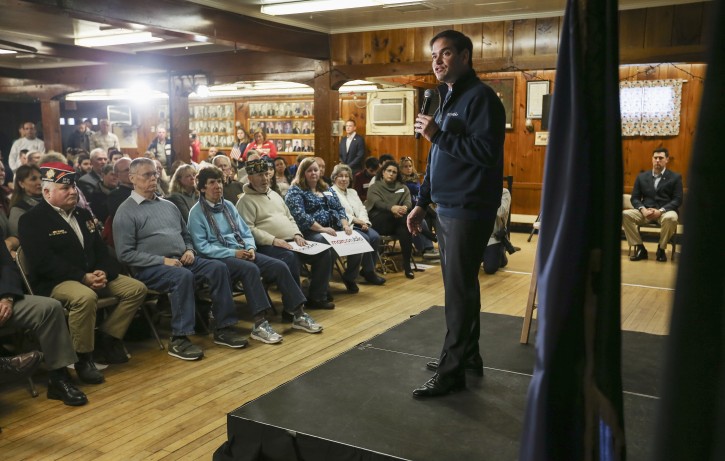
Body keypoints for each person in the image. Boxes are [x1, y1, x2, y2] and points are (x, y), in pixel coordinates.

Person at [407, 30, 505, 398]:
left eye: (446, 53)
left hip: (470, 207)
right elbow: (437, 157)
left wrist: (438, 135)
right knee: (462, 287)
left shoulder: (481, 99)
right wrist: (421, 200)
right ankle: (468, 356)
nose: (437, 60)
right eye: (434, 54)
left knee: (459, 291)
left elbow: (486, 154)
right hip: (445, 206)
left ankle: (451, 372)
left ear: (465, 56)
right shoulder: (447, 98)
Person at [19, 162, 147, 382]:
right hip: (56, 282)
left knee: (136, 289)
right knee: (85, 297)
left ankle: (107, 337)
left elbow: (101, 251)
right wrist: (82, 277)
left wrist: (102, 272)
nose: (72, 191)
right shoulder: (32, 220)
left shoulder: (82, 215)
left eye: (73, 187)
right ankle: (83, 358)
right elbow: (43, 263)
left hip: (92, 276)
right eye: (65, 188)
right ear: (47, 192)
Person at [113, 158, 247, 360]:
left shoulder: (168, 205)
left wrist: (190, 250)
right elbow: (124, 253)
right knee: (182, 276)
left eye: (155, 174)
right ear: (132, 178)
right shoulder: (126, 211)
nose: (153, 178)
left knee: (218, 268)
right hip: (150, 268)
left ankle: (224, 328)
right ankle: (179, 338)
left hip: (182, 260)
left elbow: (186, 236)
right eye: (146, 175)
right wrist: (162, 261)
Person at [188, 166, 322, 343]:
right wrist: (234, 253)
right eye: (212, 183)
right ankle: (260, 324)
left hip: (243, 251)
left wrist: (251, 248)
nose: (218, 186)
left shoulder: (228, 206)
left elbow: (245, 232)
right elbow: (202, 246)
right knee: (250, 269)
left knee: (279, 265)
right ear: (202, 188)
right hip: (219, 257)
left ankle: (298, 314)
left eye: (219, 182)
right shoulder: (196, 213)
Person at [238, 159, 335, 310]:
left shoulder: (275, 195)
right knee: (290, 257)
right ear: (250, 178)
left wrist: (297, 233)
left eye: (266, 174)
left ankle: (317, 297)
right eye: (259, 175)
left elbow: (290, 217)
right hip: (266, 246)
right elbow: (248, 230)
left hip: (292, 241)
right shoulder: (245, 201)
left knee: (324, 252)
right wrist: (274, 240)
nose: (264, 178)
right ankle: (293, 307)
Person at [0, 242, 88, 406]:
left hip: (3, 299)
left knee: (49, 307)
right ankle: (5, 365)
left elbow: (7, 266)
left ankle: (58, 378)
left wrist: (7, 297)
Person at [285, 157, 384, 294]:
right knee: (328, 246)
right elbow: (300, 216)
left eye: (316, 170)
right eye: (310, 170)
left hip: (334, 229)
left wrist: (345, 225)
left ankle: (350, 277)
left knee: (358, 239)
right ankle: (322, 286)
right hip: (310, 231)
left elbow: (339, 209)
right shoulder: (296, 191)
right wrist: (322, 229)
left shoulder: (325, 188)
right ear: (302, 172)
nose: (314, 173)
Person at [623, 147, 683, 262]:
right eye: (655, 158)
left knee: (671, 218)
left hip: (664, 212)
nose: (657, 160)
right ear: (652, 159)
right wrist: (642, 209)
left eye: (661, 158)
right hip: (646, 212)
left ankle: (661, 249)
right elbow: (635, 198)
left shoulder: (675, 177)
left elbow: (677, 200)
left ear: (667, 160)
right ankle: (640, 248)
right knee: (625, 214)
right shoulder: (642, 177)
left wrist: (660, 211)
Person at [366, 160, 415, 279]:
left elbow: (408, 201)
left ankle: (407, 267)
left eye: (394, 172)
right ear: (383, 172)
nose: (391, 174)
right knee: (405, 221)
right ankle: (423, 231)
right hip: (378, 221)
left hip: (398, 220)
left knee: (405, 230)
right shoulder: (374, 187)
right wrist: (392, 208)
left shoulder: (403, 188)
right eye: (389, 171)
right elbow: (377, 203)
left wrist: (404, 207)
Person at [330, 163, 382, 268]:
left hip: (360, 223)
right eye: (340, 176)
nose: (344, 179)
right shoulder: (331, 192)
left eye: (347, 176)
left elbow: (362, 208)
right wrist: (356, 221)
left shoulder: (352, 191)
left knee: (375, 237)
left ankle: (368, 270)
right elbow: (337, 212)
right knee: (364, 238)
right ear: (334, 178)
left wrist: (365, 222)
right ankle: (366, 271)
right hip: (345, 225)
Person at [400, 156, 439, 260]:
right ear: (400, 168)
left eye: (410, 166)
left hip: (419, 204)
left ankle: (439, 242)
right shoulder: (401, 182)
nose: (408, 168)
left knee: (434, 216)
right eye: (405, 167)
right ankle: (427, 247)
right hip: (409, 207)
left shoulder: (415, 179)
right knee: (423, 219)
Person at [482, 188, 513, 274]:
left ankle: (501, 256)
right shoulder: (476, 190)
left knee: (490, 269)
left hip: (493, 237)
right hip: (477, 236)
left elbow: (500, 212)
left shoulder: (504, 192)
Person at [8, 164, 42, 238]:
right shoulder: (18, 210)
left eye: (41, 178)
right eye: (33, 179)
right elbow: (18, 237)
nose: (39, 182)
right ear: (21, 184)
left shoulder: (50, 202)